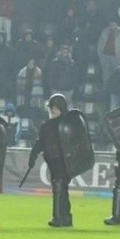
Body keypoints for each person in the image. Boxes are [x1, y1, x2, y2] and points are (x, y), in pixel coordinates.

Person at [28, 94, 73, 227]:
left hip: (60, 161)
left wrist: (33, 155)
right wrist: (33, 156)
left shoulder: (54, 125)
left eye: (54, 109)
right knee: (62, 188)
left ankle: (58, 217)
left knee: (59, 185)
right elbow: (40, 143)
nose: (52, 112)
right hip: (58, 162)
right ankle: (66, 217)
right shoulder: (64, 124)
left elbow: (40, 143)